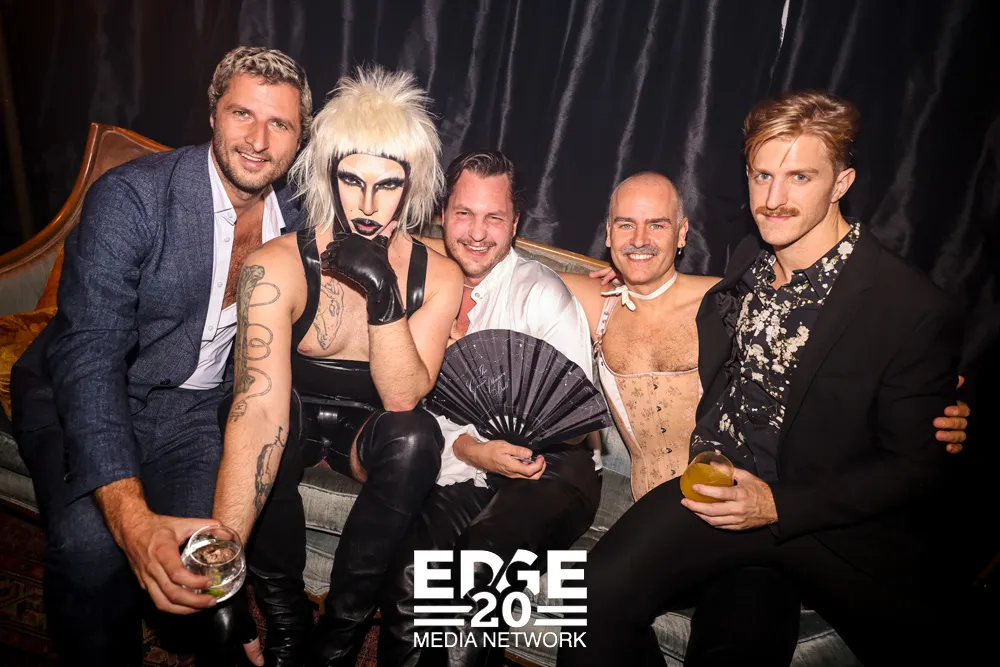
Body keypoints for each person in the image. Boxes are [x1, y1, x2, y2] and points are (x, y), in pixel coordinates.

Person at [558, 90, 970, 667]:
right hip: (720, 493)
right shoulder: (749, 262)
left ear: (842, 182)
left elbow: (917, 470)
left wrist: (777, 505)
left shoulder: (906, 306)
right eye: (762, 176)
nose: (774, 200)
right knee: (587, 600)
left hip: (820, 529)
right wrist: (632, 273)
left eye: (800, 177)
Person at [9, 46, 311, 665]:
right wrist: (132, 521)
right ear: (212, 114)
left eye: (279, 123)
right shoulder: (133, 197)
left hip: (194, 411)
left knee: (203, 552)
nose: (258, 140)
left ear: (300, 137)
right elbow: (89, 357)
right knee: (92, 549)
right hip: (88, 392)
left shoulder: (301, 224)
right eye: (242, 114)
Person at [210, 65, 463, 667]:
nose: (368, 205)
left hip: (367, 432)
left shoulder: (438, 275)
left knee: (415, 437)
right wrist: (221, 570)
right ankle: (286, 618)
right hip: (290, 416)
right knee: (244, 412)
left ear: (413, 186)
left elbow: (402, 399)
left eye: (388, 185)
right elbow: (256, 411)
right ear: (328, 174)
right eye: (352, 180)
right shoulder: (277, 265)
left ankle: (342, 633)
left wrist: (383, 294)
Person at [376, 150, 603, 667]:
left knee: (478, 564)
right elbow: (408, 407)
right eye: (464, 213)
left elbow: (571, 420)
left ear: (515, 223)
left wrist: (504, 437)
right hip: (464, 459)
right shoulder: (420, 288)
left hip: (553, 468)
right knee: (410, 570)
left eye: (494, 217)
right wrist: (472, 450)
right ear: (442, 214)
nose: (477, 233)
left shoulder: (541, 294)